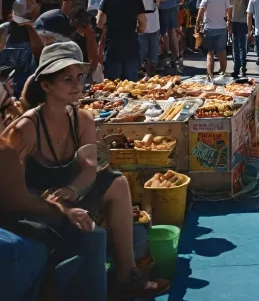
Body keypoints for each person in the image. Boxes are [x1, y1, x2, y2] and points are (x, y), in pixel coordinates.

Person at [4, 42, 169, 297]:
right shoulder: (25, 128)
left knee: (117, 182)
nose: (77, 85)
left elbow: (90, 168)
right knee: (93, 234)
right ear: (46, 85)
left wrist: (71, 190)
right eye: (67, 79)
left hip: (69, 193)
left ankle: (126, 274)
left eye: (79, 77)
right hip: (37, 203)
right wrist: (54, 203)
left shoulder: (82, 119)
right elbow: (11, 188)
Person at [96, 0, 146, 81]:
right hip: (131, 45)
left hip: (113, 46)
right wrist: (136, 29)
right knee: (130, 86)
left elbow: (99, 23)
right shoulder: (137, 0)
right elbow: (143, 26)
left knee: (111, 85)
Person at [195, 0, 233, 79]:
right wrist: (228, 24)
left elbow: (200, 13)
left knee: (210, 52)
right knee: (222, 51)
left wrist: (197, 26)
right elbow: (230, 11)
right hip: (221, 28)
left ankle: (210, 73)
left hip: (209, 28)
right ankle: (223, 71)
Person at [132, 0, 166, 77]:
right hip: (154, 19)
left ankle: (140, 71)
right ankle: (151, 72)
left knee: (141, 47)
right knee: (153, 47)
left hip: (142, 19)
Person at [223, 0, 253, 78]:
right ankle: (243, 67)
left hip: (233, 19)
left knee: (235, 45)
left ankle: (236, 68)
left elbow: (226, 6)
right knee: (243, 45)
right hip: (245, 20)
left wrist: (227, 22)